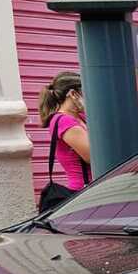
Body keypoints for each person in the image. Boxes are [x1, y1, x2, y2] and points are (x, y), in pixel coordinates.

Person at [36, 71, 91, 210]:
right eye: (86, 92)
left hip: (93, 189)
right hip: (82, 192)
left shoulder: (81, 117)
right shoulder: (63, 120)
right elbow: (92, 156)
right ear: (73, 94)